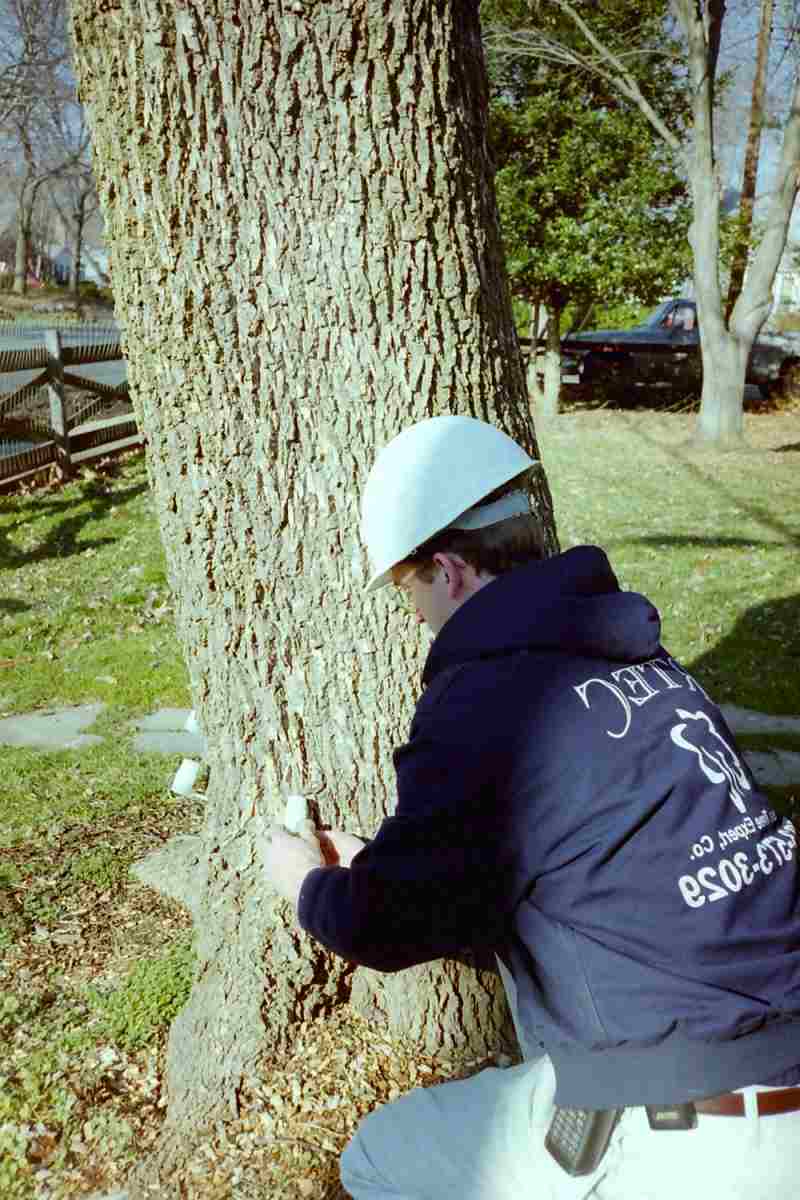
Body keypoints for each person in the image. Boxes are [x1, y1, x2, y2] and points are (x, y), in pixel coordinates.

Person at [263, 415, 800, 1199]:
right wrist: (386, 868)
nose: (413, 613)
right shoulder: (646, 663)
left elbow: (384, 928)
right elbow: (570, 872)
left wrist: (307, 881)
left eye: (408, 587)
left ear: (447, 569)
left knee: (378, 1158)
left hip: (689, 1127)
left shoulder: (485, 697)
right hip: (770, 1059)